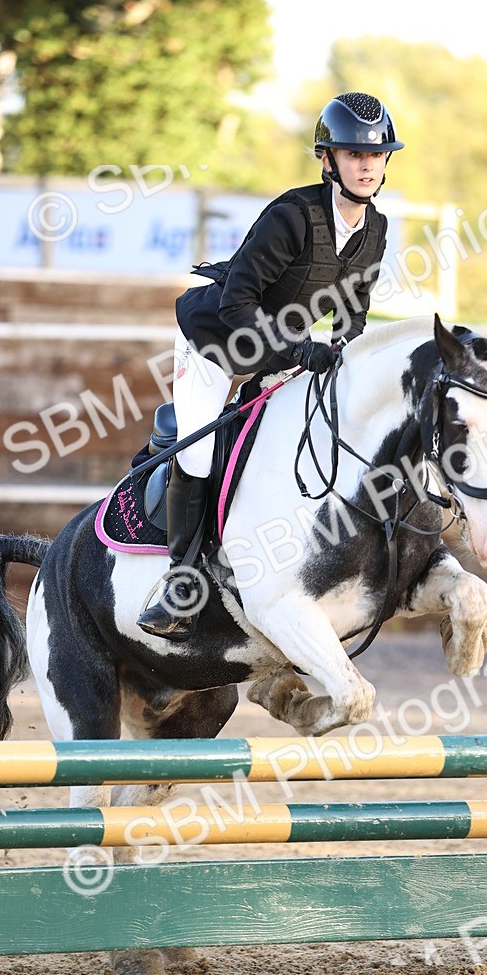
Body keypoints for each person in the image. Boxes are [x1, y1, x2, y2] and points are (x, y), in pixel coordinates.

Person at [137, 91, 404, 639]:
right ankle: (181, 582)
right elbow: (237, 304)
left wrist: (339, 363)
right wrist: (298, 353)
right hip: (216, 341)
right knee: (199, 452)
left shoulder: (375, 230)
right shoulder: (291, 216)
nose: (366, 165)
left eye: (376, 156)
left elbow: (351, 318)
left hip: (281, 346)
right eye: (353, 155)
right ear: (327, 160)